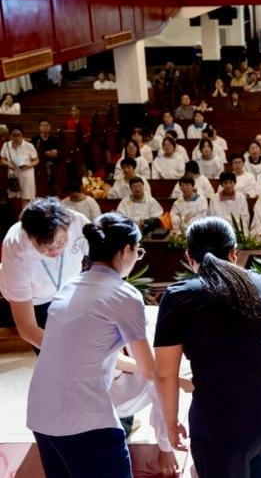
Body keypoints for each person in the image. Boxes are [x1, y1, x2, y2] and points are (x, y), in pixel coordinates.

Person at [27, 213, 177, 477]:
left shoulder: (68, 288)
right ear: (125, 250)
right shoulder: (122, 294)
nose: (137, 257)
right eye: (138, 251)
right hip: (83, 421)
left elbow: (89, 354)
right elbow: (150, 371)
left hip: (40, 415)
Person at [154, 217, 261, 477]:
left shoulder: (178, 297)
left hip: (221, 422)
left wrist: (171, 423)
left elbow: (165, 374)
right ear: (234, 253)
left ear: (188, 256)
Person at [0, 198, 89, 350]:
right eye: (46, 248)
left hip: (71, 290)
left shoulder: (78, 222)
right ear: (30, 237)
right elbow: (27, 327)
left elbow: (103, 259)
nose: (55, 251)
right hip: (36, 300)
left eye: (60, 243)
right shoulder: (17, 252)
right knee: (52, 355)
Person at [1, 126, 38, 204]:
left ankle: (25, 214)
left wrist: (28, 165)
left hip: (26, 174)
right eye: (14, 135)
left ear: (22, 136)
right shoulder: (6, 145)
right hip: (13, 174)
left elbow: (36, 160)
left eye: (19, 135)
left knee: (27, 198)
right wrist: (8, 164)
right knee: (15, 198)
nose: (16, 138)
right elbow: (2, 159)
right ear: (10, 136)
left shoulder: (29, 145)